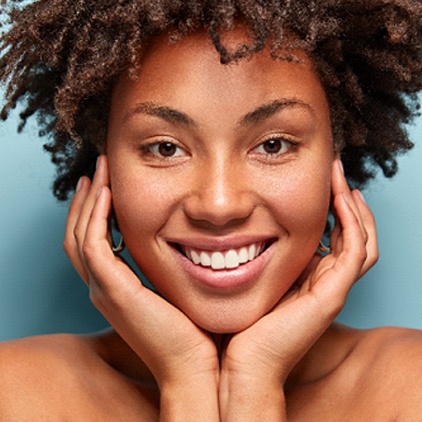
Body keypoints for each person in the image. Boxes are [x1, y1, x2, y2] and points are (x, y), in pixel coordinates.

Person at [0, 0, 421, 420]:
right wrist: (186, 377)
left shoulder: (409, 387)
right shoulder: (15, 394)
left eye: (273, 145)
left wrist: (256, 379)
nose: (219, 205)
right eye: (165, 148)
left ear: (336, 157)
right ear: (103, 164)